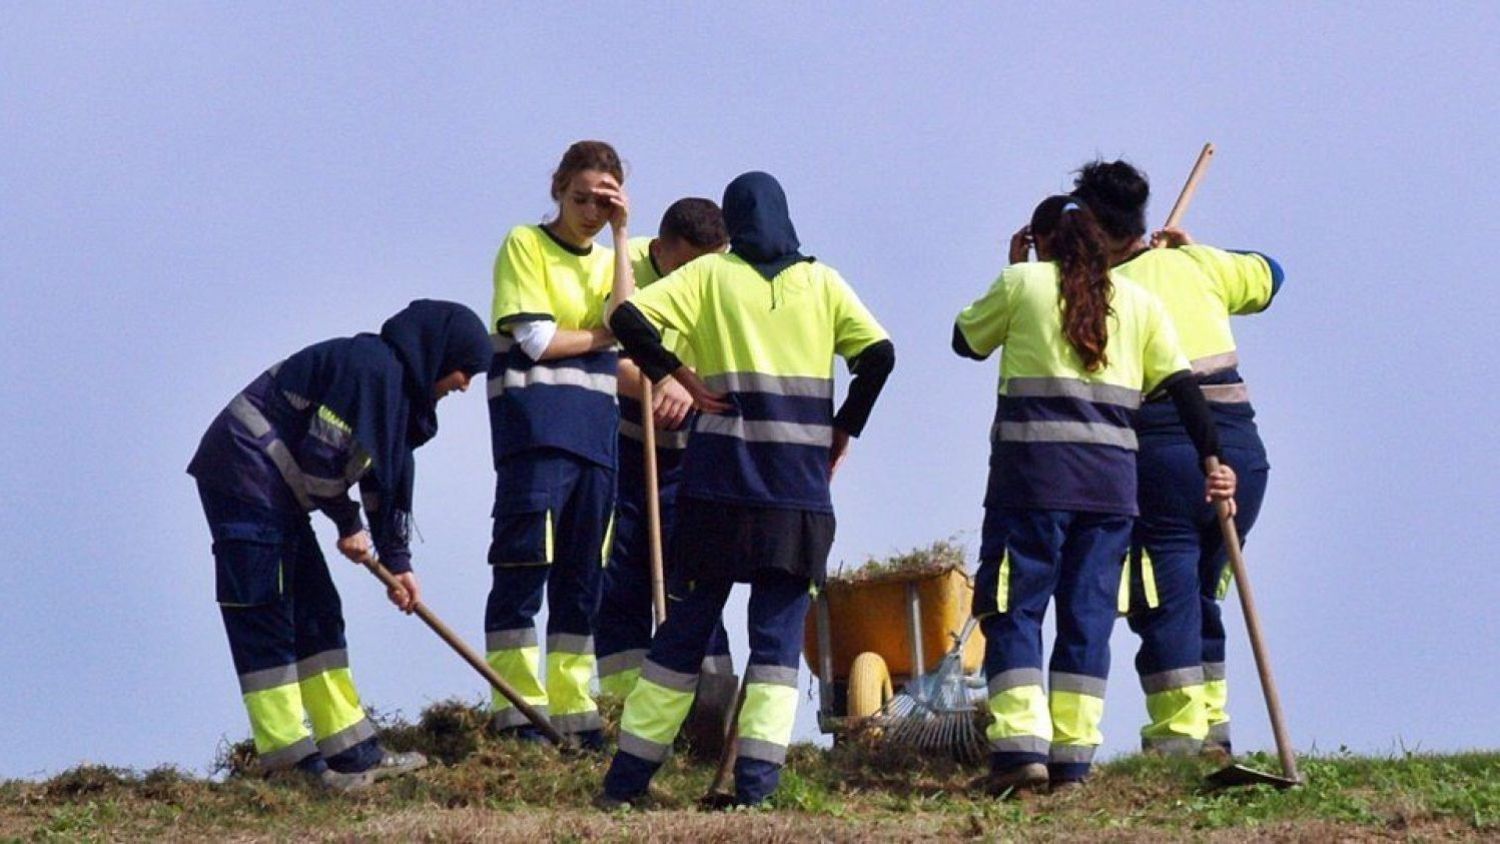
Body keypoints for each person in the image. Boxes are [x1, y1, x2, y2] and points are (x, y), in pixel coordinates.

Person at [600, 171, 895, 808]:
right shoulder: (823, 282)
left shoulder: (709, 276)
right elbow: (879, 356)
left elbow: (624, 315)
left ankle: (626, 784)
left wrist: (673, 371)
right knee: (776, 647)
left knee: (682, 635)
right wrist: (843, 430)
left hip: (717, 492)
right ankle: (756, 788)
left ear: (732, 225)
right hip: (796, 498)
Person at [953, 196, 1236, 794]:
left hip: (1030, 485)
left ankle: (1019, 752)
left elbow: (965, 341)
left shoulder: (1022, 283)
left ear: (1042, 239)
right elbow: (1185, 392)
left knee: (1013, 609)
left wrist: (1017, 262)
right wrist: (1216, 460)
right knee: (1086, 618)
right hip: (1112, 492)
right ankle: (1072, 762)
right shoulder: (1139, 304)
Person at [187, 299, 492, 791]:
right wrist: (348, 523)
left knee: (317, 612)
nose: (463, 384)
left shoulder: (396, 397)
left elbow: (377, 480)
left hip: (281, 496)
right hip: (243, 477)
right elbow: (321, 459)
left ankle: (351, 751)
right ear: (440, 354)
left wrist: (399, 563)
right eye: (463, 371)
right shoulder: (368, 371)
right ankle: (290, 765)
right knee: (265, 613)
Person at [1071, 160, 1284, 756]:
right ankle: (1212, 731)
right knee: (1201, 590)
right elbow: (1271, 274)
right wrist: (1198, 250)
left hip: (1164, 452)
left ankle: (1179, 740)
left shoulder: (1098, 293)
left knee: (1164, 596)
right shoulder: (1199, 264)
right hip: (1243, 450)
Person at [484, 140, 634, 748]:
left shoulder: (610, 261)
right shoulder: (524, 243)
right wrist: (604, 336)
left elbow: (628, 323)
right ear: (558, 190)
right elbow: (538, 340)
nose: (590, 212)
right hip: (537, 434)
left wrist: (624, 240)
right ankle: (518, 710)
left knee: (581, 579)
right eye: (581, 199)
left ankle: (573, 713)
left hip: (596, 439)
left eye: (604, 203)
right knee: (525, 566)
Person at [596, 198, 735, 700]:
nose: (697, 277)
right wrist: (661, 380)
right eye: (686, 266)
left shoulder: (726, 277)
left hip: (696, 450)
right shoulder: (621, 266)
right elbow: (600, 356)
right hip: (625, 445)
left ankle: (712, 701)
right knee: (621, 572)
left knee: (697, 575)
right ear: (661, 249)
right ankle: (624, 703)